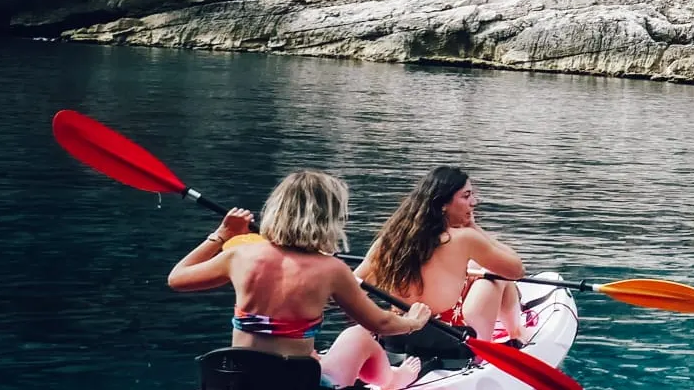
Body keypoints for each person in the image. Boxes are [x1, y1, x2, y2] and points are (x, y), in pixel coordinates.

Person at [168, 169, 432, 389]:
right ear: (327, 219)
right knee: (359, 336)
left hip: (238, 381)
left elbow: (177, 278)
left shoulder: (240, 255)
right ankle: (395, 380)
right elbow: (381, 322)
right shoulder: (331, 269)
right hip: (294, 381)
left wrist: (222, 234)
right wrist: (413, 322)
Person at [358, 166, 528, 351]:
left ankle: (514, 334)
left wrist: (373, 320)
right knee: (494, 276)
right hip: (451, 342)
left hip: (396, 338)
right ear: (443, 204)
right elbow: (516, 271)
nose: (474, 202)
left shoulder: (390, 240)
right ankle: (514, 336)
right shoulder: (464, 238)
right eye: (466, 196)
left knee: (477, 271)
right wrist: (476, 229)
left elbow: (353, 286)